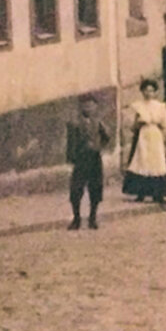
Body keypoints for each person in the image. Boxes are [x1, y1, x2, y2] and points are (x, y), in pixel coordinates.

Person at [121, 78, 166, 207]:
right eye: (146, 90)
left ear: (155, 92)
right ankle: (141, 193)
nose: (148, 93)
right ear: (142, 92)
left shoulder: (160, 107)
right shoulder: (139, 106)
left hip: (155, 136)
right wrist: (139, 123)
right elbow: (133, 127)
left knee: (157, 163)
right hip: (143, 137)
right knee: (142, 162)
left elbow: (165, 123)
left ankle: (158, 194)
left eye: (151, 91)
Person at [66, 94, 112, 230]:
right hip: (81, 160)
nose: (88, 108)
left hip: (94, 159)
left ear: (95, 107)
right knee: (76, 190)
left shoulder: (98, 122)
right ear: (80, 107)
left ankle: (93, 218)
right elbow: (71, 143)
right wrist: (72, 159)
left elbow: (107, 136)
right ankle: (76, 219)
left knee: (95, 188)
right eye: (85, 105)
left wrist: (99, 147)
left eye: (91, 105)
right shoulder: (74, 123)